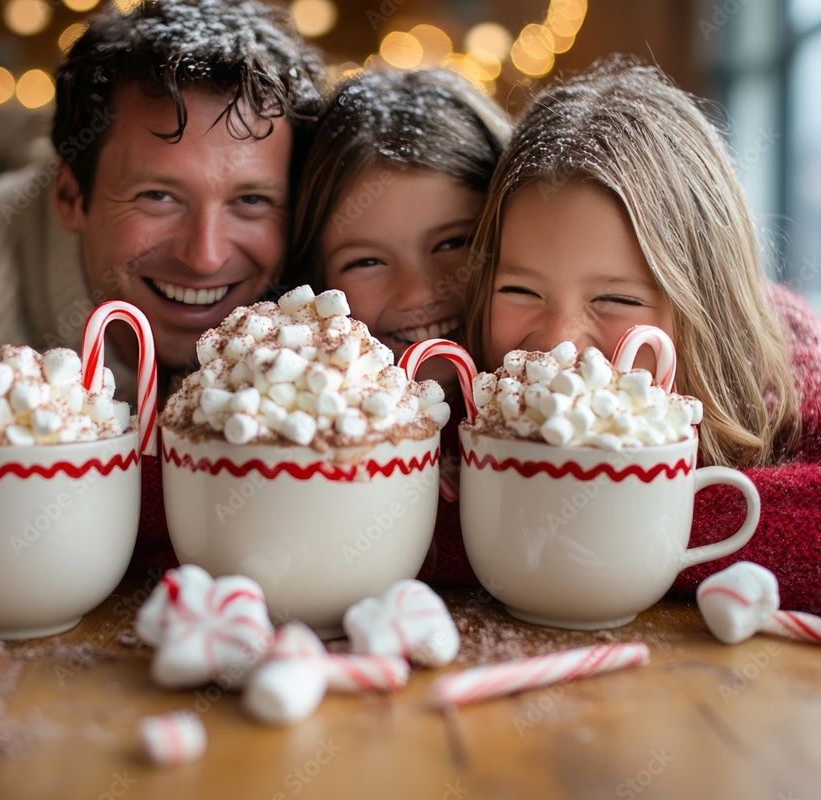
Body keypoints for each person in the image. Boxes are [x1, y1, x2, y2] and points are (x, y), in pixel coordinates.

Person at [0, 0, 327, 583]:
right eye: (158, 196)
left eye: (252, 201)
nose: (206, 254)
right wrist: (17, 468)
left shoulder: (327, 258)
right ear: (70, 196)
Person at [465, 56, 821, 612]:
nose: (561, 342)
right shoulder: (454, 406)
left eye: (616, 300)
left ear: (709, 309)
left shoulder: (795, 382)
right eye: (521, 291)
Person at [289, 67, 511, 585]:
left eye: (454, 243)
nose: (418, 293)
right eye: (366, 261)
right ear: (314, 282)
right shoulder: (292, 434)